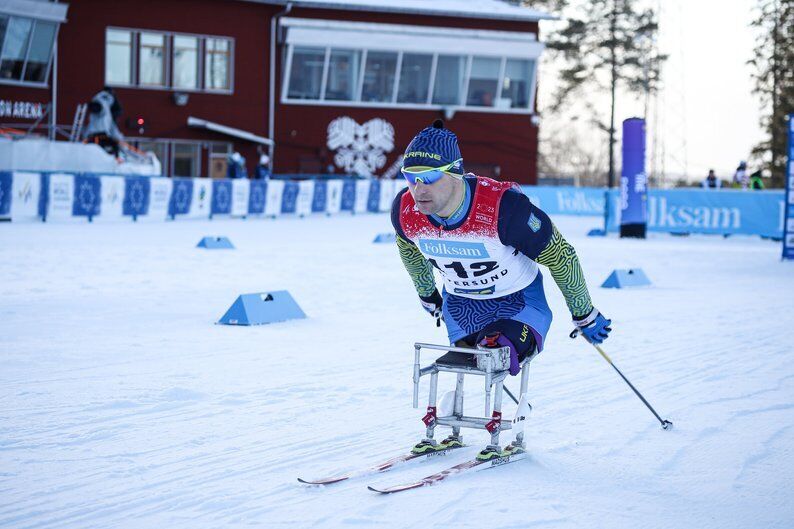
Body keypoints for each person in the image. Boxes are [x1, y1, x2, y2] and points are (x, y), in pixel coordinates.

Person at [391, 120, 611, 458]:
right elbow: (407, 247)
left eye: (430, 176)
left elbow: (561, 255)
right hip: (462, 307)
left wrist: (583, 311)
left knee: (497, 352)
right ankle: (450, 420)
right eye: (411, 176)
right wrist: (427, 292)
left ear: (456, 172)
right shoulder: (406, 211)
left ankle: (511, 427)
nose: (418, 188)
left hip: (519, 303)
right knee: (464, 360)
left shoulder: (505, 209)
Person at [84, 87, 123, 158]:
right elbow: (96, 108)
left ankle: (114, 159)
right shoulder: (102, 102)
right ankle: (115, 160)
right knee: (113, 147)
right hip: (99, 134)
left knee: (112, 146)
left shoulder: (105, 104)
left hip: (97, 134)